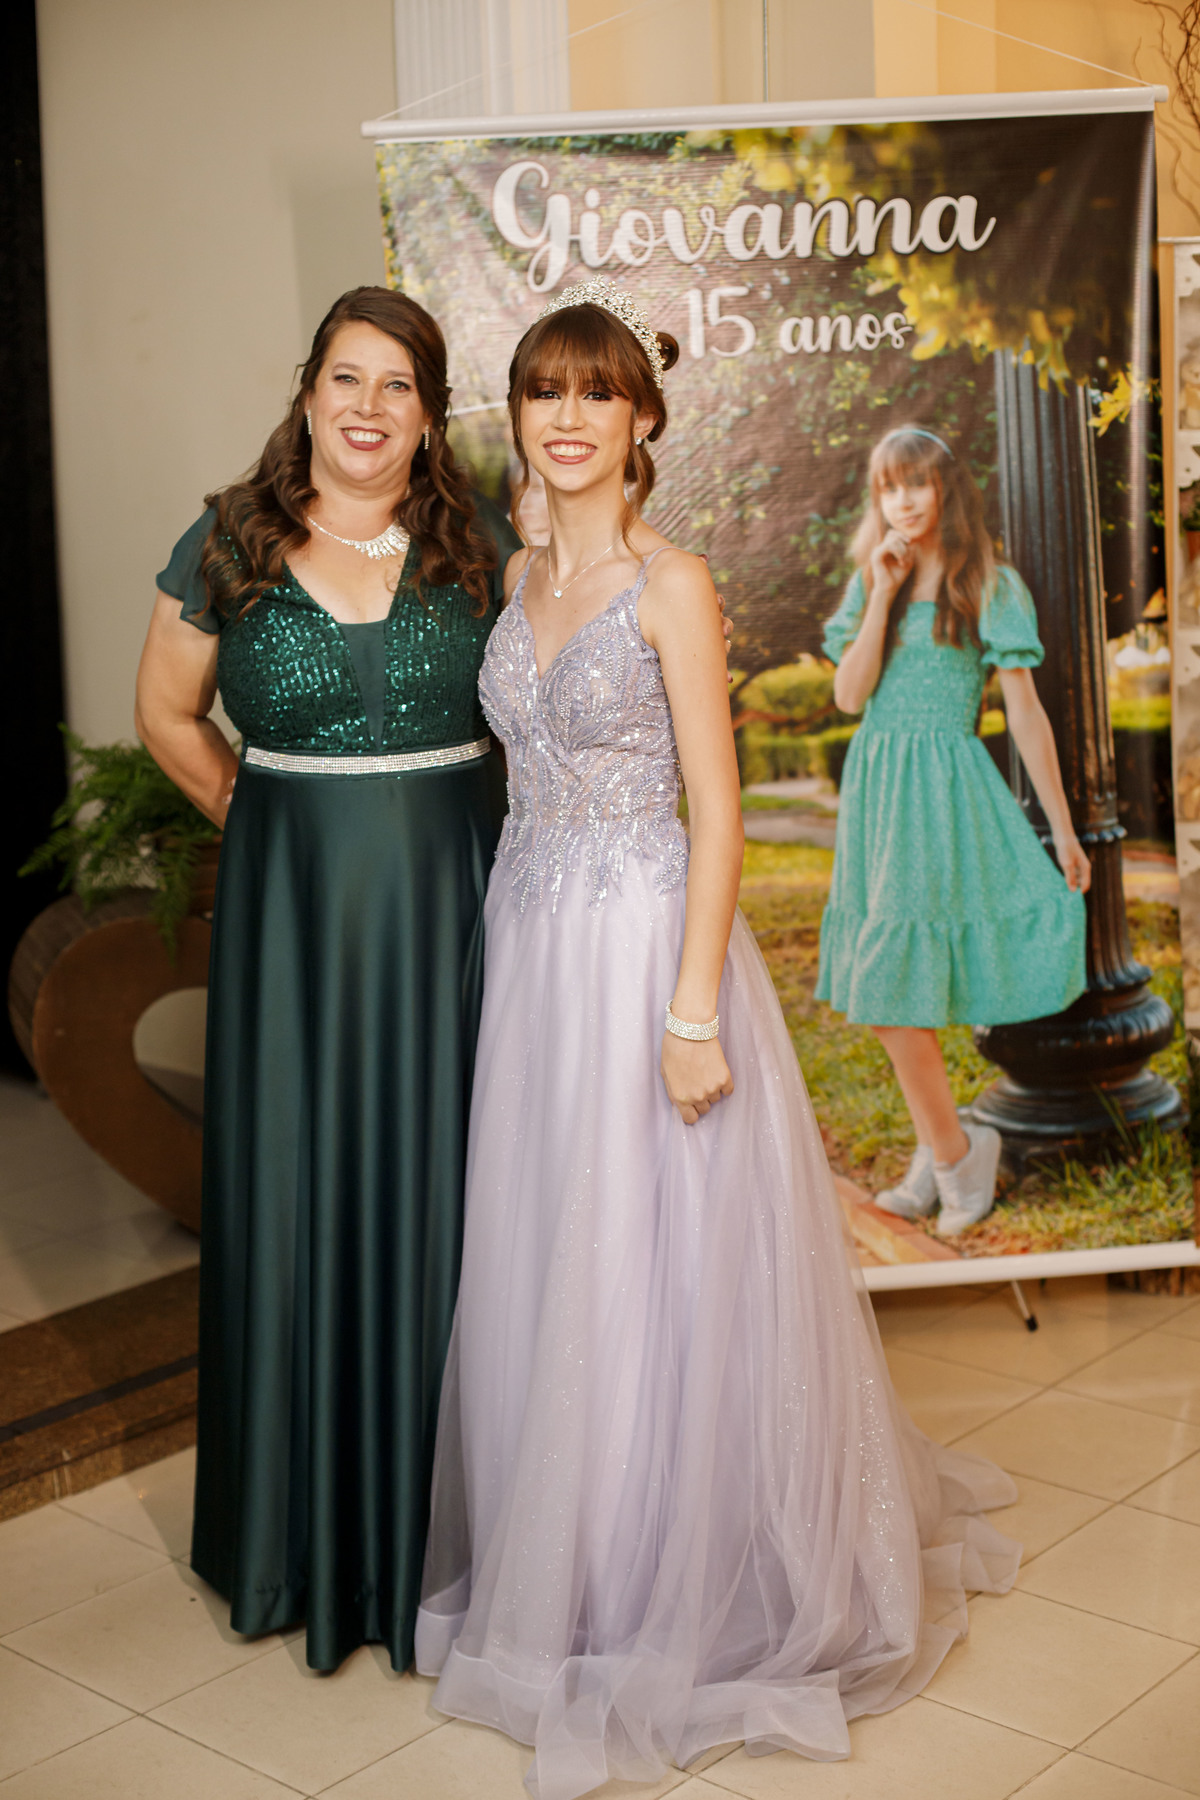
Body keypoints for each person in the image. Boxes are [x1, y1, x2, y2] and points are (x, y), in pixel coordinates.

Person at [414, 282, 1020, 1800]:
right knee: (549, 1246)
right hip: (532, 945)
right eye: (545, 392)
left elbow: (722, 809)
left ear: (641, 420)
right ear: (520, 417)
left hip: (643, 948)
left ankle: (666, 1582)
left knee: (652, 1254)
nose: (567, 418)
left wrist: (693, 1012)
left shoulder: (673, 584)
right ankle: (568, 1566)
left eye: (596, 394)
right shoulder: (516, 571)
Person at [135, 286, 520, 1672]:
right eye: (347, 379)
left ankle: (454, 1541)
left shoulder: (483, 540)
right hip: (293, 925)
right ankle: (296, 1540)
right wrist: (269, 819)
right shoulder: (227, 538)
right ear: (308, 393)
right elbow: (165, 712)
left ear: (429, 415)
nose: (368, 407)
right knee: (297, 1190)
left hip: (459, 911)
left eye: (398, 386)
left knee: (460, 1191)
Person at [816, 426, 1090, 1235]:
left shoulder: (987, 583)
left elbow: (1026, 715)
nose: (902, 501)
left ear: (945, 489)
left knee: (893, 989)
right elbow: (849, 696)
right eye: (888, 487)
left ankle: (954, 1156)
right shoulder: (874, 577)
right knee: (894, 988)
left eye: (916, 484)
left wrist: (1063, 830)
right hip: (878, 790)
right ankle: (947, 1147)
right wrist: (880, 592)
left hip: (940, 791)